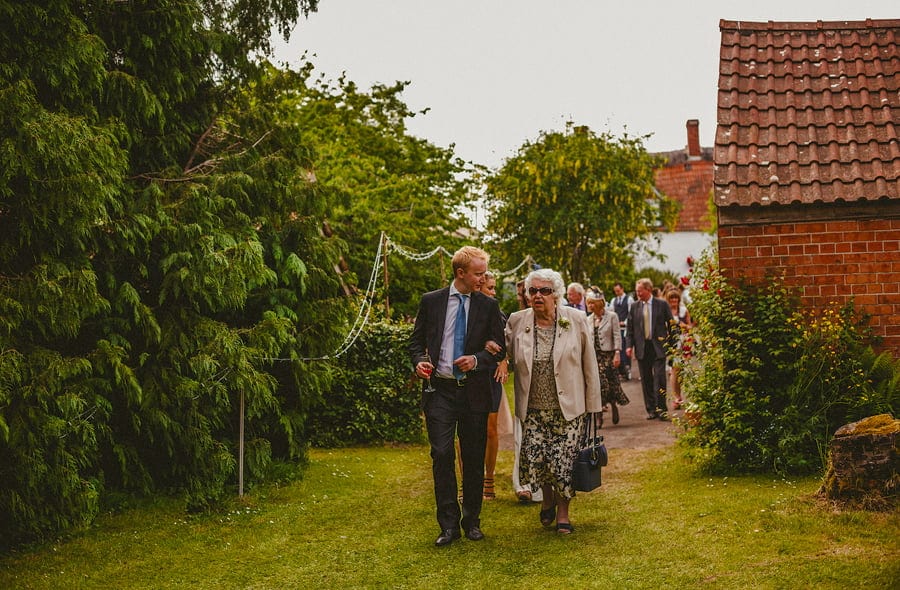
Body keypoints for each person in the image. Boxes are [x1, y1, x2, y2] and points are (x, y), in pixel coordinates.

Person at [409, 246, 506, 546]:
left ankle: (472, 521)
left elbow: (499, 348)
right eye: (479, 274)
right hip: (440, 390)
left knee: (473, 456)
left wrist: (477, 360)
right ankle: (448, 526)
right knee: (441, 454)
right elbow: (415, 341)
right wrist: (418, 362)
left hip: (474, 392)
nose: (483, 278)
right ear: (460, 273)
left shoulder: (488, 306)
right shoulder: (432, 301)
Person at [505, 268, 603, 534]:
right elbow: (503, 352)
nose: (537, 296)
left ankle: (563, 513)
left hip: (568, 408)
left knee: (562, 463)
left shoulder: (576, 319)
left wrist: (594, 405)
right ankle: (547, 500)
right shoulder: (517, 321)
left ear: (556, 295)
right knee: (539, 460)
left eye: (544, 291)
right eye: (533, 291)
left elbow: (589, 363)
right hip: (534, 408)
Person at [477, 271, 513, 500]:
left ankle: (488, 479)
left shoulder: (497, 312)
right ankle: (468, 481)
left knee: (491, 429)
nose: (493, 292)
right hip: (470, 375)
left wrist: (504, 361)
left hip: (491, 377)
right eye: (489, 288)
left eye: (494, 288)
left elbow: (506, 343)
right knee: (466, 432)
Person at [511, 279, 543, 505]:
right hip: (525, 389)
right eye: (527, 292)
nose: (531, 295)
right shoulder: (516, 320)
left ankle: (541, 489)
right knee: (522, 439)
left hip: (549, 390)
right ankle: (522, 484)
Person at [626, 277, 674, 420]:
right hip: (642, 346)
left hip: (658, 346)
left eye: (640, 291)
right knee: (646, 379)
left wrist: (672, 343)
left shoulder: (662, 304)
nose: (638, 294)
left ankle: (662, 409)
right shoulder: (634, 307)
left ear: (648, 290)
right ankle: (651, 409)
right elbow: (630, 329)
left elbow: (671, 324)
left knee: (659, 378)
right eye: (636, 291)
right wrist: (629, 346)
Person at [585, 289, 630, 425]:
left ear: (599, 303)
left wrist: (617, 353)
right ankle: (599, 414)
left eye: (592, 303)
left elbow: (617, 335)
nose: (590, 306)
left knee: (612, 384)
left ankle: (613, 404)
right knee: (599, 385)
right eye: (588, 303)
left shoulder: (612, 316)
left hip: (609, 356)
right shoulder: (588, 320)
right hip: (595, 357)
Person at [665, 289, 692, 410]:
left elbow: (690, 326)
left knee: (680, 372)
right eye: (671, 299)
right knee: (674, 369)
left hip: (683, 342)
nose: (674, 301)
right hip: (672, 343)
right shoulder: (666, 312)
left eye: (675, 298)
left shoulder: (684, 311)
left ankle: (679, 395)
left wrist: (684, 326)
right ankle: (676, 397)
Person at [608, 282, 633, 380]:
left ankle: (628, 369)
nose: (617, 293)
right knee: (618, 348)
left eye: (618, 291)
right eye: (615, 291)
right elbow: (611, 312)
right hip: (617, 328)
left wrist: (625, 322)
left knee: (625, 349)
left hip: (625, 327)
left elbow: (631, 312)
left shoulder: (629, 299)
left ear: (622, 289)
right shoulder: (614, 300)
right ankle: (620, 371)